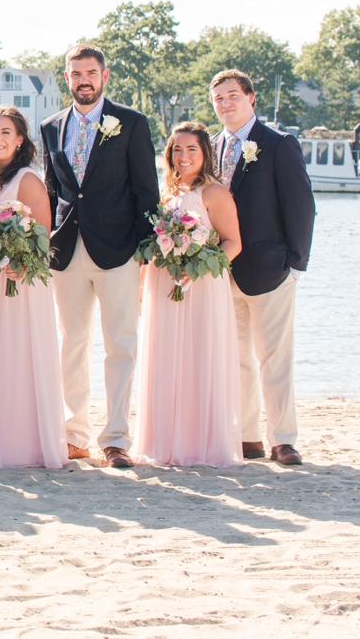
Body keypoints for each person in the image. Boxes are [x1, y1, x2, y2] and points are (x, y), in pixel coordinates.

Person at [40, 44, 159, 469]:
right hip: (66, 252)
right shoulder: (51, 126)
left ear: (104, 76)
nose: (83, 80)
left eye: (90, 72)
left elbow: (147, 191)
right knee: (70, 345)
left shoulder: (131, 122)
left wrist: (144, 252)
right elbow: (54, 191)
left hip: (119, 250)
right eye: (75, 73)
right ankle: (75, 435)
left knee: (120, 345)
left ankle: (116, 439)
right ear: (68, 77)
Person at [210, 69, 314, 465]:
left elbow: (301, 206)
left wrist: (295, 265)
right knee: (236, 358)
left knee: (275, 357)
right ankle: (248, 437)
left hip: (271, 270)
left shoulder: (278, 144)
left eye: (232, 95)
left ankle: (283, 438)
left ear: (250, 98)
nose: (225, 103)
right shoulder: (212, 146)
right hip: (223, 271)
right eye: (218, 98)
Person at [135, 122, 243, 468]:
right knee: (165, 359)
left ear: (205, 154)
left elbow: (233, 242)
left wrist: (199, 266)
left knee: (200, 357)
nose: (183, 156)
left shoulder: (214, 193)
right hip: (163, 283)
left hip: (202, 286)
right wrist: (140, 288)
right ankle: (165, 442)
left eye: (191, 149)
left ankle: (202, 443)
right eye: (176, 150)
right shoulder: (166, 193)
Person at [0, 107, 66, 469]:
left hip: (17, 284)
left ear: (20, 139)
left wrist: (19, 264)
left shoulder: (27, 179)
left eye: (5, 132)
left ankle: (22, 445)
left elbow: (43, 235)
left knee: (17, 357)